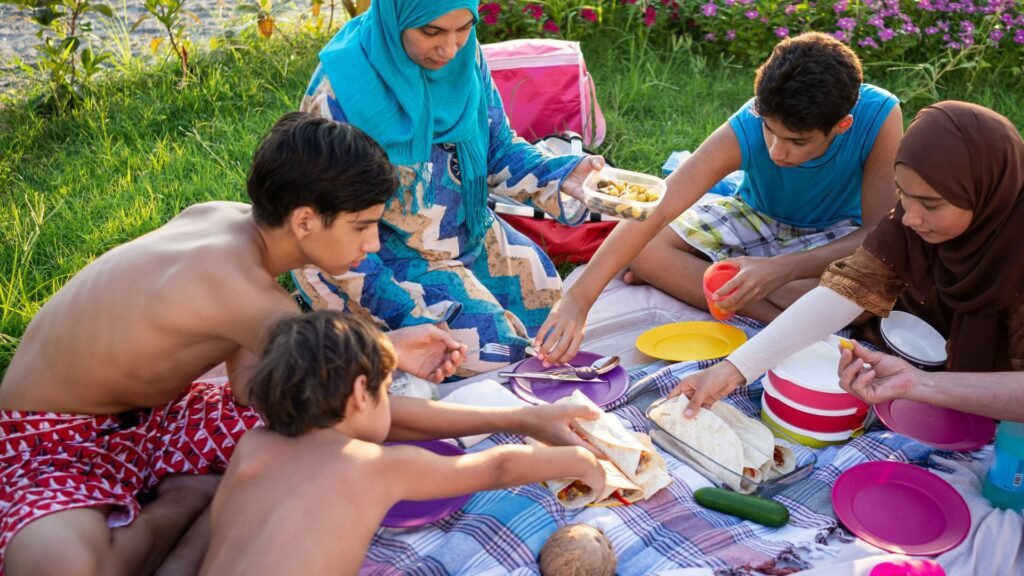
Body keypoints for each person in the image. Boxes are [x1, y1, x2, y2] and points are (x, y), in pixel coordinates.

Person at [0, 112, 602, 576]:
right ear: (307, 221)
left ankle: (184, 498)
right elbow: (354, 406)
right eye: (364, 225)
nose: (371, 244)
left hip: (162, 417)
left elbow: (248, 383)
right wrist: (526, 416)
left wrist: (384, 344)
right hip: (53, 437)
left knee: (295, 427)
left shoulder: (229, 222)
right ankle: (184, 501)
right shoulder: (243, 292)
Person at [535, 31, 902, 362]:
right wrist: (578, 298)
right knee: (645, 249)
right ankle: (788, 324)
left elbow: (876, 233)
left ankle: (728, 288)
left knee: (867, 294)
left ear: (842, 126)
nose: (776, 150)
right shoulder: (748, 121)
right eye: (770, 132)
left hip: (837, 234)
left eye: (797, 142)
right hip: (757, 215)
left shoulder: (880, 115)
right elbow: (659, 207)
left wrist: (781, 270)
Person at [292, 0, 605, 376]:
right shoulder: (339, 93)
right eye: (431, 32)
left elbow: (497, 148)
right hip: (371, 257)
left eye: (463, 29)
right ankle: (361, 331)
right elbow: (332, 232)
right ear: (397, 17)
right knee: (493, 351)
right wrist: (403, 313)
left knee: (548, 306)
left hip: (464, 231)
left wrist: (565, 175)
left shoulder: (465, 58)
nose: (449, 49)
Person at [671, 101, 1024, 421]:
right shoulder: (909, 225)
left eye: (930, 205)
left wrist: (918, 385)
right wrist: (733, 370)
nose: (909, 218)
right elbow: (846, 291)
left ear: (988, 194)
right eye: (903, 195)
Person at [199, 311, 605, 576]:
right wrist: (577, 460)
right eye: (388, 390)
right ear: (361, 393)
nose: (392, 404)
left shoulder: (252, 445)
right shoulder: (371, 467)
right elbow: (495, 467)